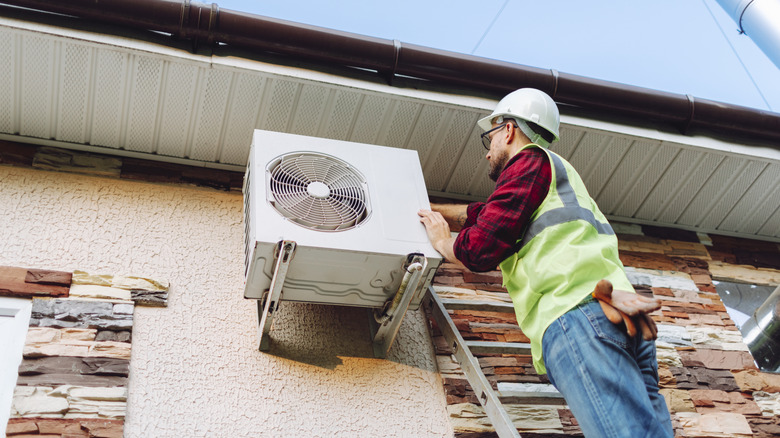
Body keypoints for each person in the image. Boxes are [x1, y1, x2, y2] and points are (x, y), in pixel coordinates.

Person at [418, 88, 673, 437]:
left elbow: (481, 248)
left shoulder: (529, 162)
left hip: (576, 314)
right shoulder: (556, 176)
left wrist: (441, 241)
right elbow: (484, 213)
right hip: (618, 314)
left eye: (488, 138)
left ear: (508, 130)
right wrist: (429, 209)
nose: (487, 152)